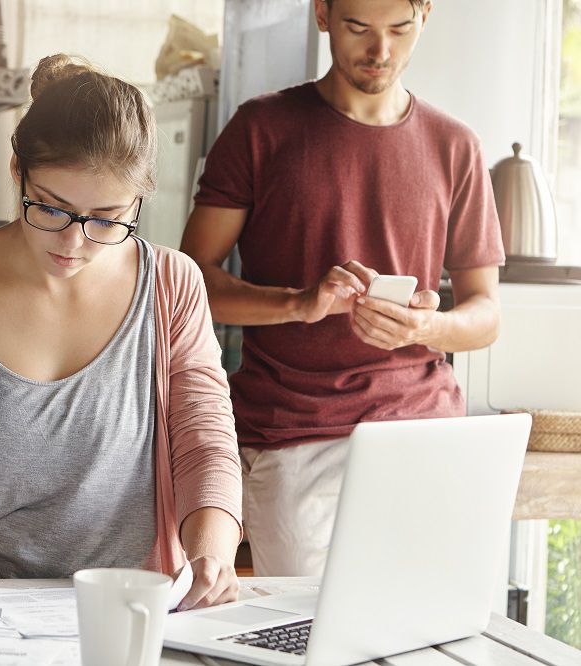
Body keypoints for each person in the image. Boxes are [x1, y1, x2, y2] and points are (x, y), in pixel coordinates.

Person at [0, 55, 243, 610]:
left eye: (107, 218)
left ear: (140, 199)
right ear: (17, 171)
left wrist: (212, 554)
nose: (74, 243)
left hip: (126, 611)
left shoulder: (171, 285)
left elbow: (205, 443)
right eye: (51, 209)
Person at [180, 0, 505, 577]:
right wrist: (298, 304)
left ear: (425, 15)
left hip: (423, 431)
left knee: (425, 633)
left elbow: (486, 314)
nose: (381, 52)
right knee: (303, 638)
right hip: (293, 434)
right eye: (359, 28)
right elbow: (187, 284)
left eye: (400, 29)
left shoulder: (456, 145)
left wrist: (428, 327)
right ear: (323, 13)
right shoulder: (261, 129)